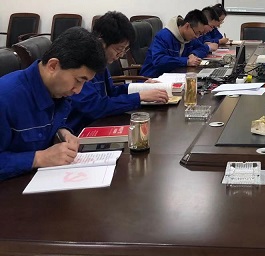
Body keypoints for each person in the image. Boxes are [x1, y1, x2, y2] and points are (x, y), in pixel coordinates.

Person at [0, 27, 106, 181]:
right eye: (78, 80)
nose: (78, 90)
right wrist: (39, 158)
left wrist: (62, 132)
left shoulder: (57, 91)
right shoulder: (6, 98)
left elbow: (49, 126)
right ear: (53, 66)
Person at [67, 11, 169, 133]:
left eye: (125, 50)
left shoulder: (101, 62)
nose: (120, 55)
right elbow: (94, 107)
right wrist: (139, 97)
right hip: (82, 130)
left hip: (100, 123)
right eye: (118, 49)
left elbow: (111, 92)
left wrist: (142, 87)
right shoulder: (82, 66)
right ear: (101, 42)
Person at [140, 10, 208, 78]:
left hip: (174, 76)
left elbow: (203, 48)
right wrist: (186, 61)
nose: (197, 37)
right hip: (153, 78)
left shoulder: (190, 38)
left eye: (200, 34)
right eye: (197, 33)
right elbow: (159, 61)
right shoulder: (163, 36)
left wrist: (193, 54)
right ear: (187, 26)